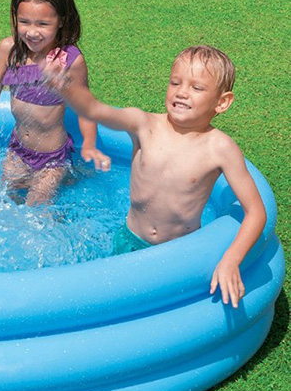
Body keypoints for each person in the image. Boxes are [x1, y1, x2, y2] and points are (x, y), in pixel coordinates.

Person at [43, 44, 267, 308]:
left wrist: (231, 259)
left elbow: (256, 212)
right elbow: (96, 111)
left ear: (222, 102)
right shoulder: (144, 125)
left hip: (179, 252)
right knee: (113, 304)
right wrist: (65, 87)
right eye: (175, 83)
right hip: (129, 240)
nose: (182, 92)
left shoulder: (219, 148)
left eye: (196, 88)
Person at [0, 0, 111, 206]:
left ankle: (60, 201)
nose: (32, 32)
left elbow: (86, 109)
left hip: (51, 159)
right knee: (2, 200)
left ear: (61, 20)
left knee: (36, 209)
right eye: (24, 22)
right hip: (18, 149)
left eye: (43, 24)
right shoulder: (9, 50)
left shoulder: (70, 61)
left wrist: (89, 144)